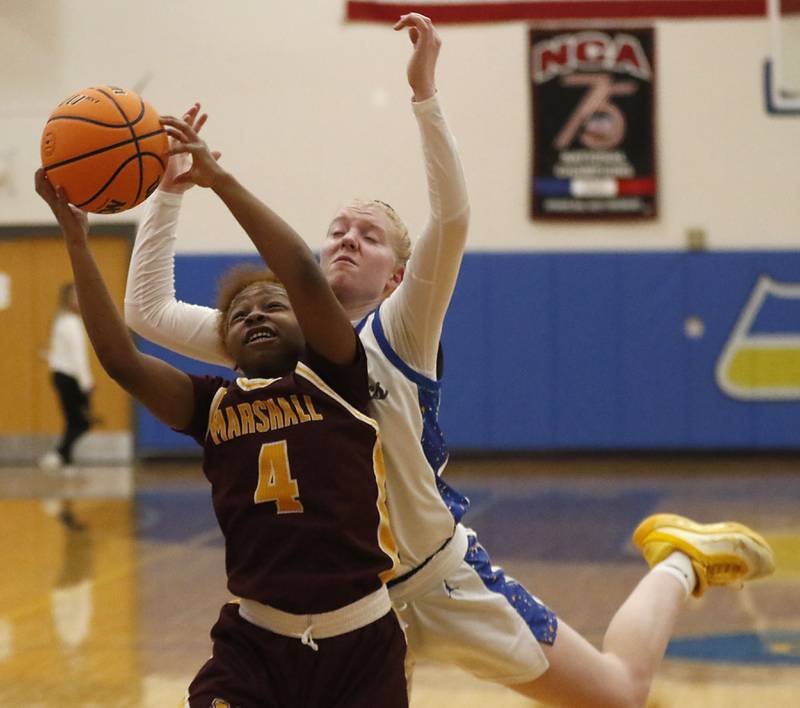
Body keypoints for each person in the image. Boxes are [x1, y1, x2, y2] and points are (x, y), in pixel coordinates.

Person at [123, 13, 776, 708]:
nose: (347, 239)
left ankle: (680, 559)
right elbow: (147, 314)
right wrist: (169, 190)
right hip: (351, 608)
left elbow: (453, 217)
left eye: (369, 237)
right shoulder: (273, 338)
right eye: (337, 230)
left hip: (440, 583)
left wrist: (424, 94)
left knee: (617, 694)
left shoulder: (400, 328)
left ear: (397, 276)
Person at [34, 126, 408, 706]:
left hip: (360, 640)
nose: (255, 315)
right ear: (225, 342)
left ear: (308, 320)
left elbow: (305, 275)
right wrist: (77, 240)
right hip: (255, 643)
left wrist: (221, 182)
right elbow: (121, 361)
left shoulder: (337, 373)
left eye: (273, 306)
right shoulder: (211, 406)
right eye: (239, 314)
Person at [39, 282, 93, 478]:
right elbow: (78, 356)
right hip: (69, 377)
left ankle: (65, 460)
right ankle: (57, 455)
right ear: (68, 300)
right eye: (76, 297)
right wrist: (87, 383)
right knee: (80, 422)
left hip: (62, 376)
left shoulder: (62, 321)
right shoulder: (70, 323)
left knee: (74, 422)